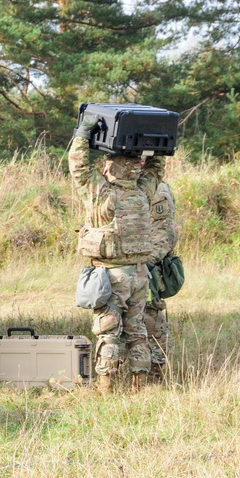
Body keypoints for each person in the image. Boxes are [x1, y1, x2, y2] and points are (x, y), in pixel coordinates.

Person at [69, 116, 162, 393]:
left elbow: (78, 165)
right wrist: (153, 144)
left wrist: (84, 131)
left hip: (111, 275)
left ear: (115, 168)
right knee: (137, 332)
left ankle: (105, 388)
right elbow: (157, 168)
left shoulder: (103, 194)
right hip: (140, 274)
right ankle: (139, 387)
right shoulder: (143, 192)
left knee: (108, 332)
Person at [142, 177, 178, 382]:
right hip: (127, 268)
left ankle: (154, 377)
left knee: (151, 322)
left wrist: (142, 264)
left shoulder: (157, 190)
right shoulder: (128, 185)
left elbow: (164, 235)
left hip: (147, 272)